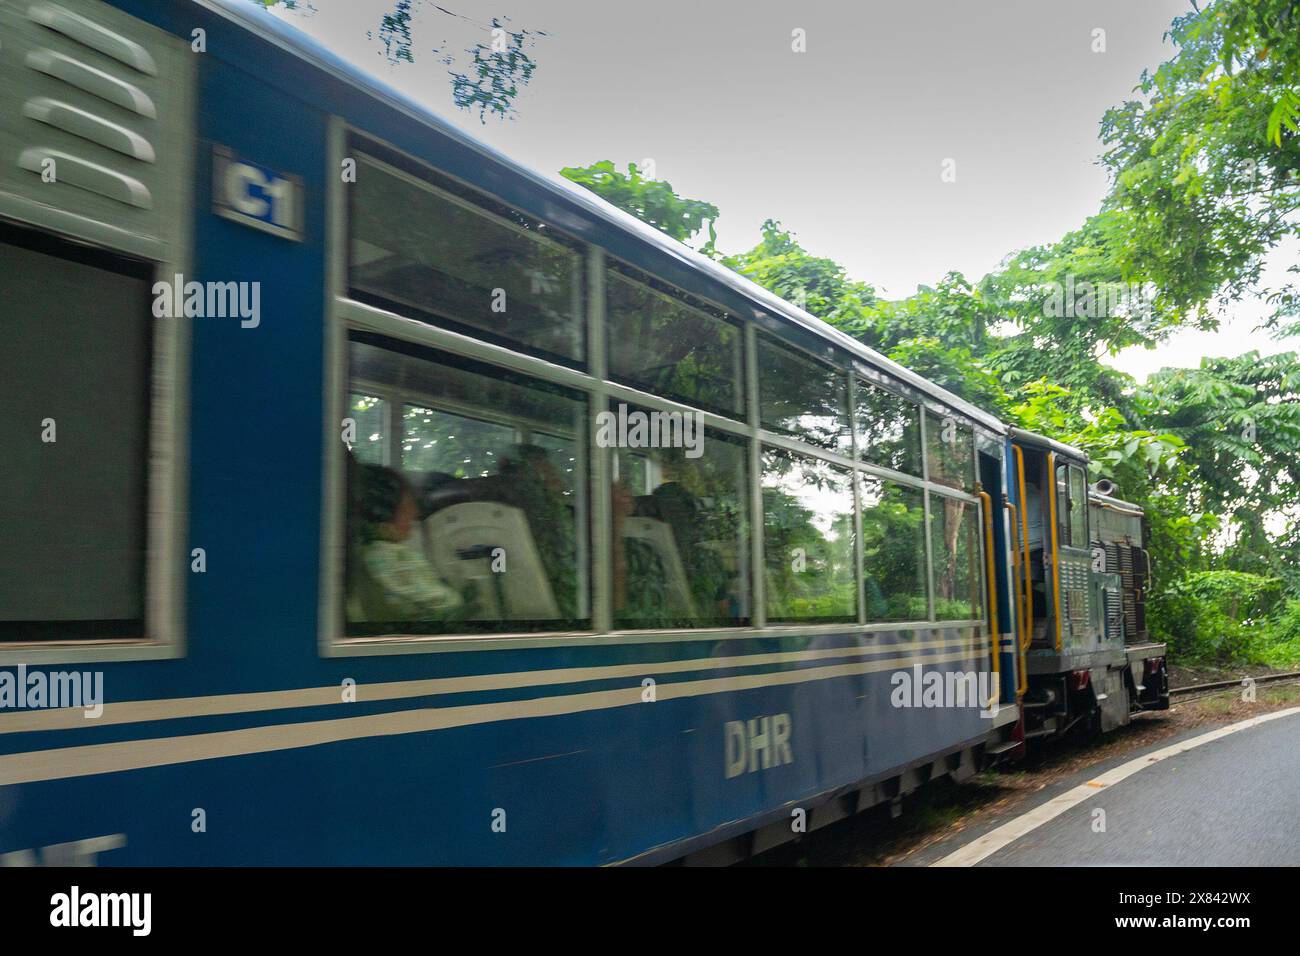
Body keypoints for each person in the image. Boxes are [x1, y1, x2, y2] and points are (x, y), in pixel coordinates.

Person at [353, 464, 463, 622]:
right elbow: (441, 603)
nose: (415, 513)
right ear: (384, 514)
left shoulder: (367, 553)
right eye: (407, 507)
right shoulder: (388, 557)